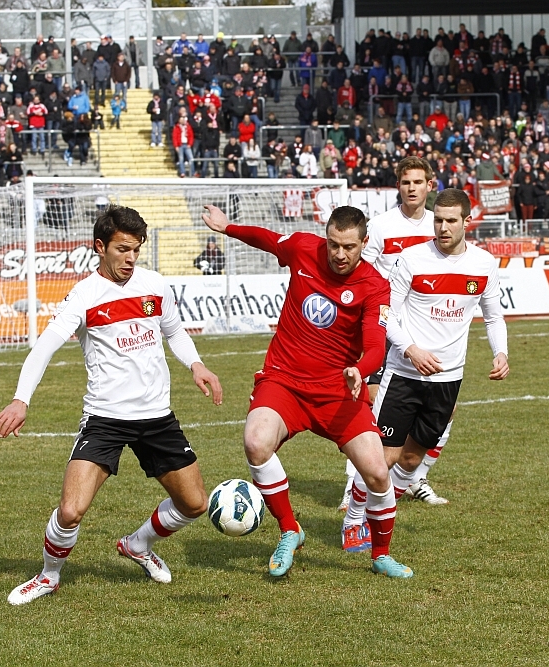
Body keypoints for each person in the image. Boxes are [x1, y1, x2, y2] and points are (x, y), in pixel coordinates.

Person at [0, 206, 223, 606]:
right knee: (70, 511)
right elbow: (44, 348)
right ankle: (48, 576)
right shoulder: (84, 295)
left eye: (136, 250)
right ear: (100, 247)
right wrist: (21, 399)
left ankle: (138, 544)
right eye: (122, 249)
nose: (130, 258)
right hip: (105, 419)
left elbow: (174, 332)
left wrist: (196, 364)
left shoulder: (154, 285)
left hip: (157, 417)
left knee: (194, 504)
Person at [199, 203, 413, 579]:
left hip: (337, 391)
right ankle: (289, 530)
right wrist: (227, 227)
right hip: (284, 380)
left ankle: (381, 555)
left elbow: (375, 346)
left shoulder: (374, 286)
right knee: (256, 442)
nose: (339, 254)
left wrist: (359, 370)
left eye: (349, 247)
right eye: (333, 244)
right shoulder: (303, 248)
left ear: (364, 243)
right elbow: (267, 239)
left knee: (378, 473)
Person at [341, 188, 509, 552]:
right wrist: (410, 350)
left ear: (467, 222)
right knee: (382, 458)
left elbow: (493, 316)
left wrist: (501, 353)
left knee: (412, 459)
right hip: (404, 374)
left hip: (448, 379)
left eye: (451, 221)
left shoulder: (483, 264)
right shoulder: (412, 259)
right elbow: (386, 314)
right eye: (438, 221)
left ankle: (382, 512)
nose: (443, 228)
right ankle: (354, 519)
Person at [338, 157, 452, 510]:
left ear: (430, 185)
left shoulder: (439, 225)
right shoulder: (382, 226)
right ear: (398, 186)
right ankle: (353, 486)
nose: (411, 188)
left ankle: (416, 477)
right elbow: (362, 270)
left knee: (443, 411)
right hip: (386, 330)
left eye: (418, 182)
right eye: (405, 182)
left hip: (428, 331)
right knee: (372, 410)